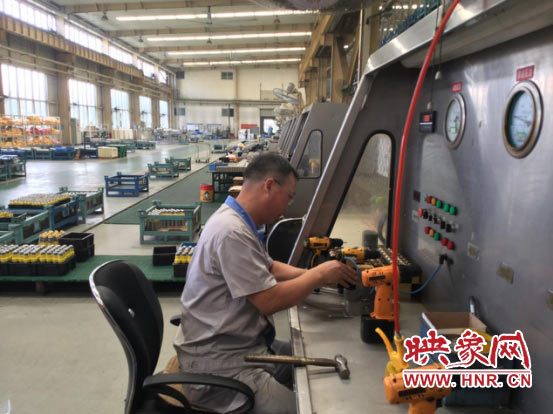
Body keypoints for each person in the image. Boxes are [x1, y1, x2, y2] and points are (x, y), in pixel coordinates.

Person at [174, 153, 357, 413]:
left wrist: (309, 273)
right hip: (222, 366)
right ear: (269, 185)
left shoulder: (235, 220)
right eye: (289, 196)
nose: (288, 206)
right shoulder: (231, 232)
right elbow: (268, 301)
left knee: (308, 360)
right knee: (305, 409)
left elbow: (268, 267)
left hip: (241, 344)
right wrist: (318, 276)